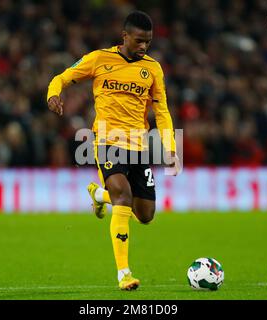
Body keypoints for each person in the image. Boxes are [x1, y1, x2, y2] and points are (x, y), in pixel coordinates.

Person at [46, 11, 180, 290]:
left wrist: (169, 147)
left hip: (139, 146)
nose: (144, 46)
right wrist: (53, 94)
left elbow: (162, 111)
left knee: (145, 215)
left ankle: (97, 194)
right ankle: (124, 274)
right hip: (107, 141)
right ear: (125, 36)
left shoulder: (153, 68)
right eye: (140, 40)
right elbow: (61, 77)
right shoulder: (99, 59)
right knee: (123, 197)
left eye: (149, 42)